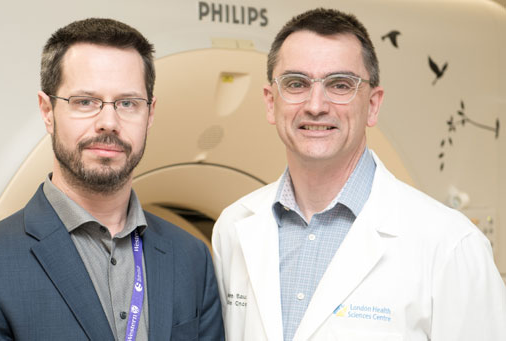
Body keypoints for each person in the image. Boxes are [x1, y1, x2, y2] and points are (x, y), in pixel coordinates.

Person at [212, 8, 506, 341]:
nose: (316, 105)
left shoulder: (451, 245)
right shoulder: (233, 229)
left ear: (373, 104)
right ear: (270, 102)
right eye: (296, 84)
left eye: (340, 85)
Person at [0, 18, 224, 340]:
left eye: (128, 103)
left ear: (149, 114)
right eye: (85, 102)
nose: (108, 122)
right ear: (47, 111)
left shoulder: (191, 257)